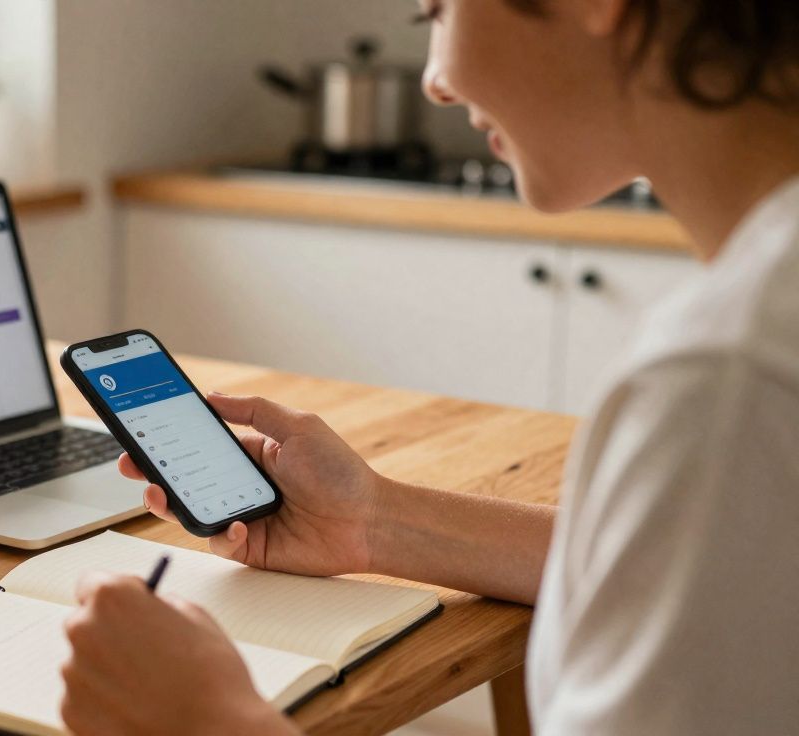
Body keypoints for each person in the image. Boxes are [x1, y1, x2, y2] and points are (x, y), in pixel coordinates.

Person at [58, 0, 799, 733]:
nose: (436, 82)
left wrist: (205, 718)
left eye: (438, 11)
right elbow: (716, 577)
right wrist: (372, 521)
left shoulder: (728, 384)